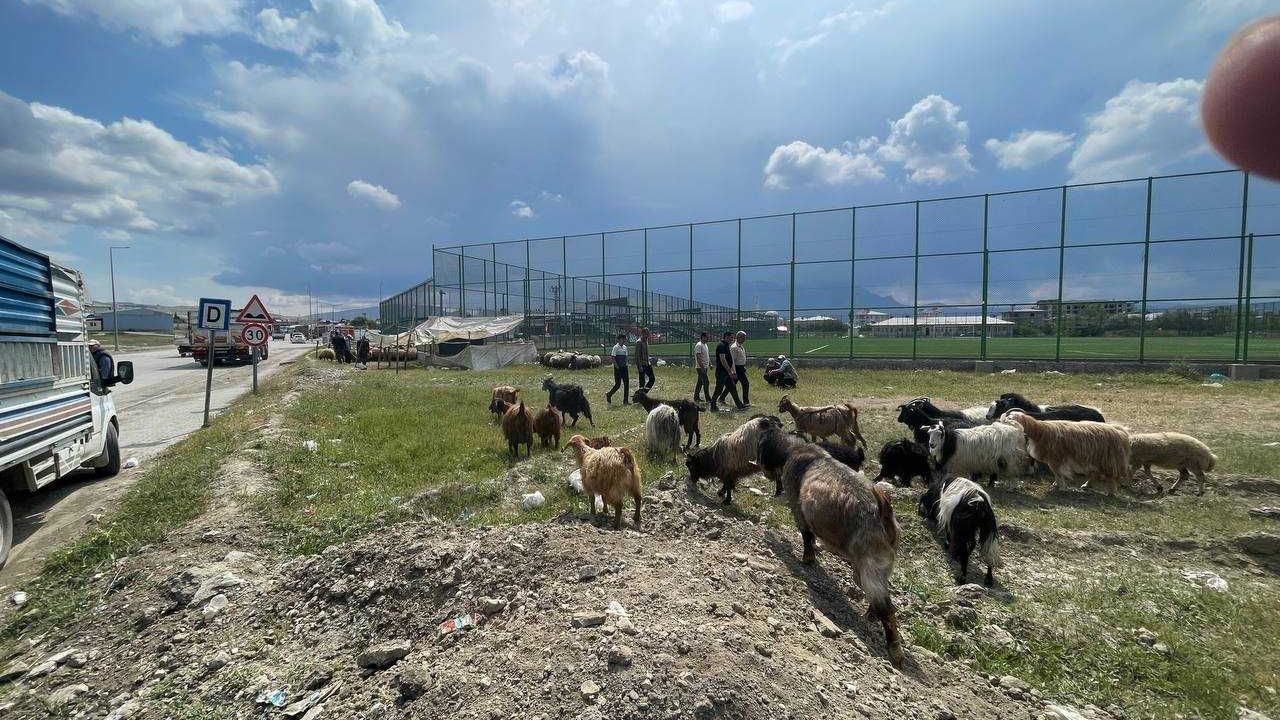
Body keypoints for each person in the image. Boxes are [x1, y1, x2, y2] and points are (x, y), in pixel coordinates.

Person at [711, 330, 744, 412]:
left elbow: (730, 360)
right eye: (731, 338)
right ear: (726, 337)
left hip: (726, 372)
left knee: (732, 388)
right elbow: (723, 359)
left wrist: (732, 371)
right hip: (721, 372)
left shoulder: (726, 345)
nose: (732, 339)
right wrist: (729, 371)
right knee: (719, 390)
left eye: (733, 338)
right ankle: (713, 405)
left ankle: (740, 405)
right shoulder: (721, 345)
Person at [606, 333, 630, 404]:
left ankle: (625, 401)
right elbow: (613, 357)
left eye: (625, 339)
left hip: (624, 368)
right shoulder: (615, 347)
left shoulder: (625, 347)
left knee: (626, 384)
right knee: (618, 384)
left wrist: (626, 364)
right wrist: (616, 366)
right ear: (619, 339)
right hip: (618, 368)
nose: (624, 340)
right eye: (623, 339)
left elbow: (626, 357)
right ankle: (609, 394)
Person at [692, 331, 712, 403]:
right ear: (703, 337)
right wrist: (702, 367)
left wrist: (710, 364)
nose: (708, 338)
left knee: (700, 382)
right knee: (706, 382)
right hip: (700, 368)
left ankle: (696, 397)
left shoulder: (705, 345)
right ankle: (708, 398)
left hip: (705, 367)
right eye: (707, 337)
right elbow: (698, 357)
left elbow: (707, 356)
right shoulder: (699, 345)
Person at [731, 331, 749, 406]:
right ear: (738, 337)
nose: (745, 339)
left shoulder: (740, 346)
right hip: (737, 368)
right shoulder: (734, 347)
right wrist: (734, 371)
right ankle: (746, 401)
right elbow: (732, 361)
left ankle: (722, 397)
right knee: (745, 384)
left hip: (740, 368)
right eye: (743, 338)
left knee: (732, 385)